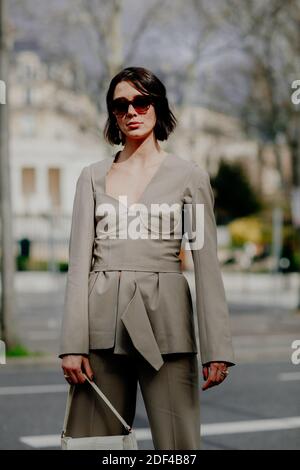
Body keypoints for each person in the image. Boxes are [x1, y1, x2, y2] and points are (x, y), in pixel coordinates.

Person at [59, 66, 236, 450]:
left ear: (158, 106)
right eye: (120, 105)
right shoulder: (91, 177)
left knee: (179, 447)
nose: (132, 112)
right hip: (99, 329)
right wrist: (72, 343)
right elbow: (78, 264)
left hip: (168, 327)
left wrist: (217, 346)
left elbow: (206, 265)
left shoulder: (189, 178)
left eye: (141, 101)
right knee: (98, 447)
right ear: (112, 114)